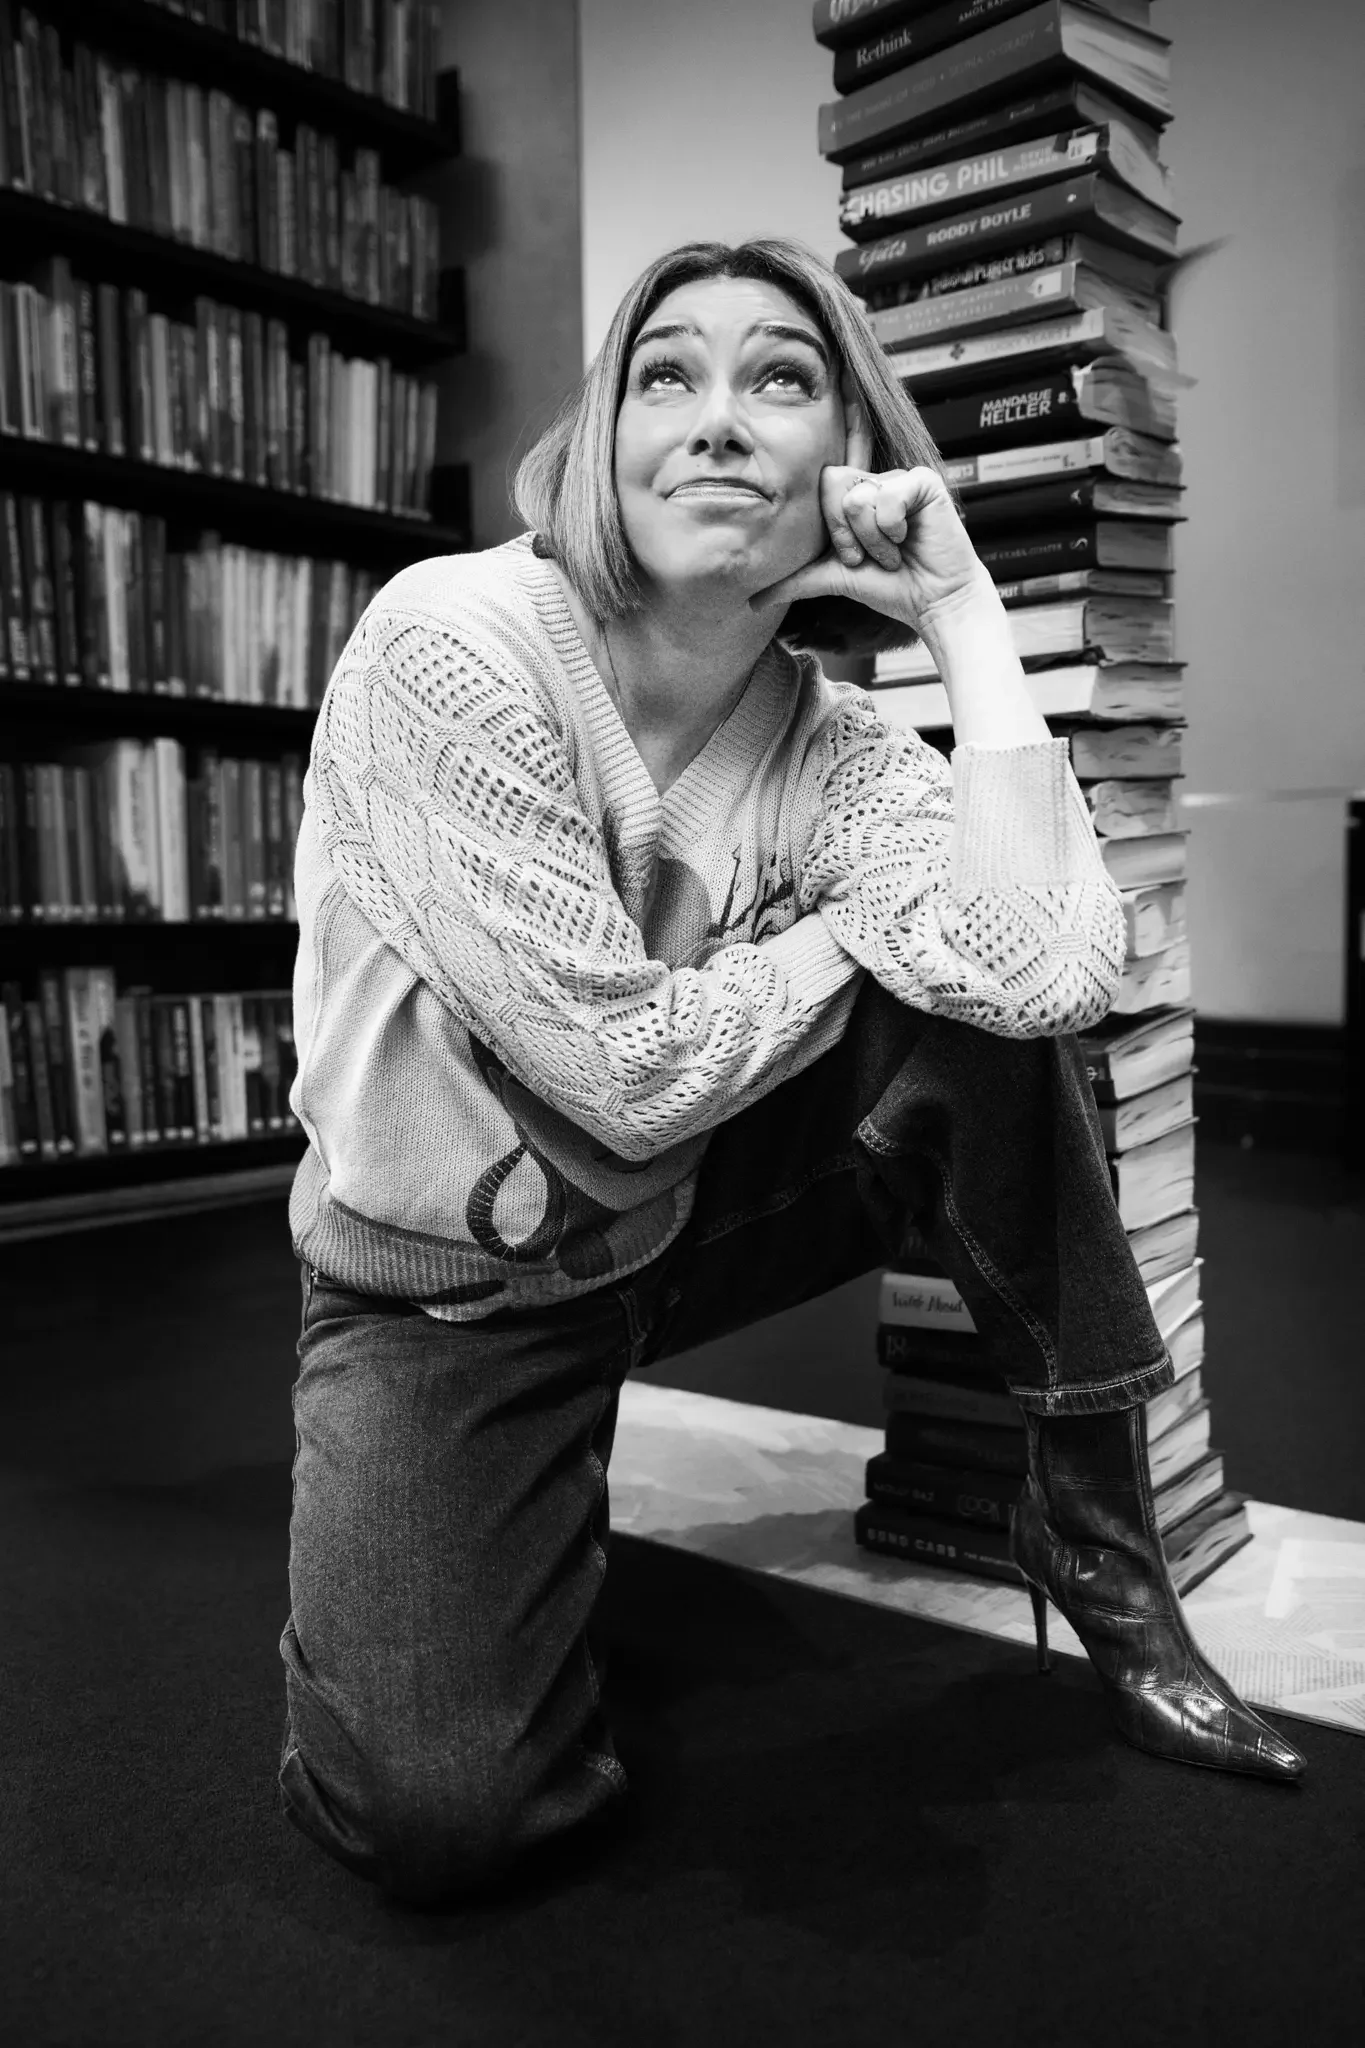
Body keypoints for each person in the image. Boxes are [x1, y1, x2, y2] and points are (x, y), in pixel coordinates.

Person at [279, 236, 1304, 1906]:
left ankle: (1098, 1541)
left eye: (779, 378)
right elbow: (622, 1075)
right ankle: (480, 1521)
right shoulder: (454, 640)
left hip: (673, 1224)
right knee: (436, 1817)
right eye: (665, 375)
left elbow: (1049, 973)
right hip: (449, 1291)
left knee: (980, 1008)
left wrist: (965, 613)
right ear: (603, 439)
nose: (717, 417)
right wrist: (855, 943)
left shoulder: (832, 746)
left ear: (849, 455)